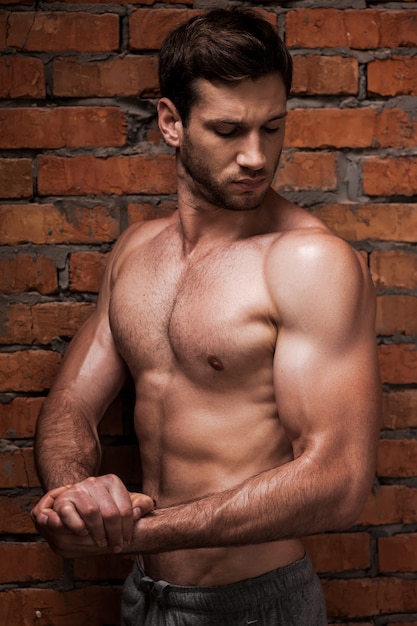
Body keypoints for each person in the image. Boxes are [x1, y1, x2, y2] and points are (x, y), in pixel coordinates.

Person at [31, 8, 381, 625]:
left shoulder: (308, 263)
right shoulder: (136, 253)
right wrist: (74, 492)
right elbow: (71, 406)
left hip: (254, 605)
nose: (255, 156)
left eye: (271, 128)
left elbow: (338, 480)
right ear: (171, 122)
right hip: (146, 599)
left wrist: (136, 533)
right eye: (228, 130)